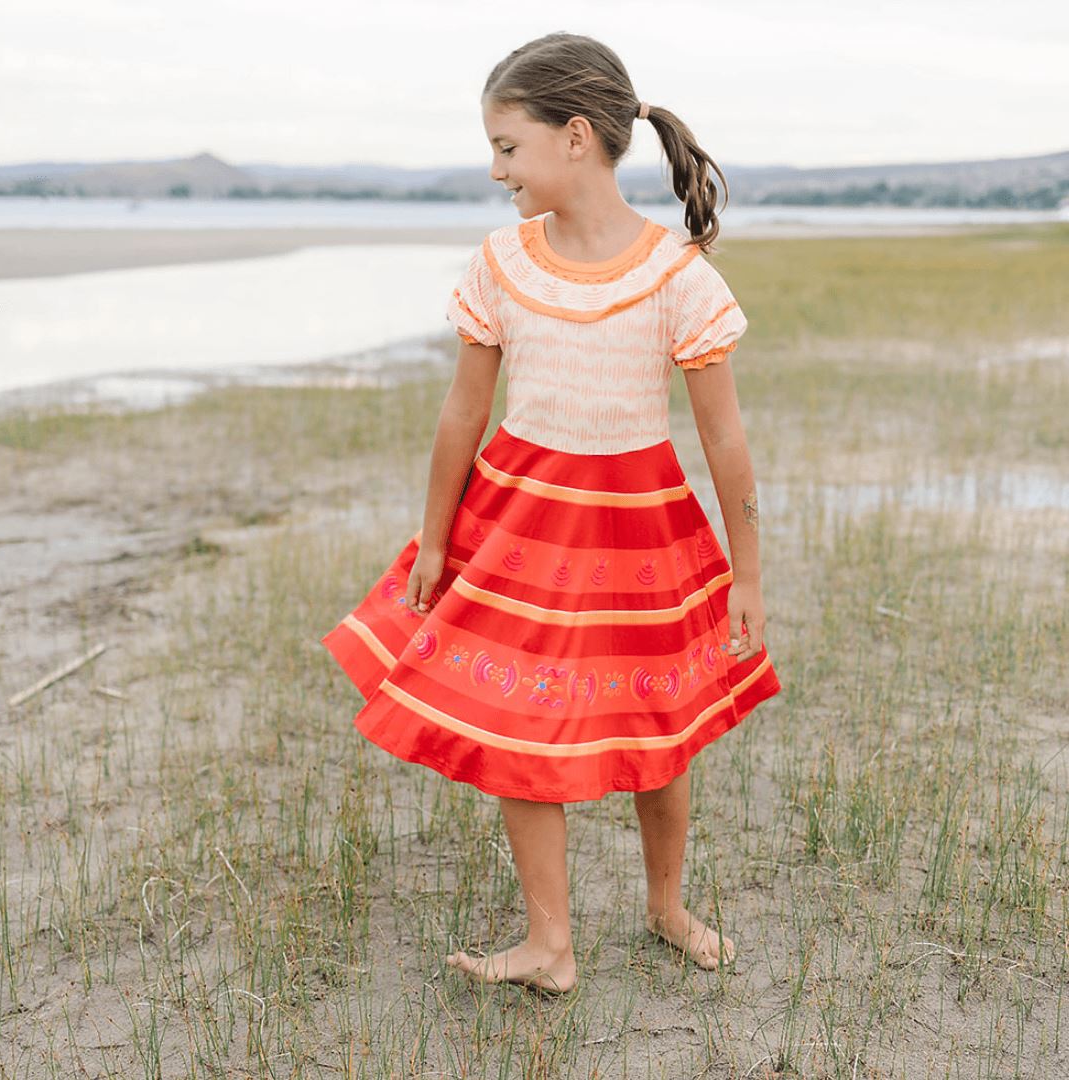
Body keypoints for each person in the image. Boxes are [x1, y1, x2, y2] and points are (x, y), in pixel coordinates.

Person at [321, 31, 782, 995]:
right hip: (517, 529)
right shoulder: (502, 261)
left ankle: (665, 906)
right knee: (515, 729)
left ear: (576, 137)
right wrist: (438, 538)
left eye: (506, 146)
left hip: (638, 536)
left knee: (657, 733)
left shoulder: (676, 275)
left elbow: (726, 442)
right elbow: (463, 411)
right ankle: (550, 946)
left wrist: (747, 570)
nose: (495, 170)